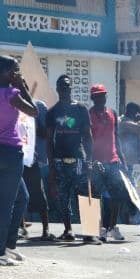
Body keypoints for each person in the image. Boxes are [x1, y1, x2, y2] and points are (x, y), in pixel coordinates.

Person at [46, 75, 99, 244]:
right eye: (61, 87)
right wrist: (52, 165)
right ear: (57, 90)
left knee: (86, 193)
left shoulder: (81, 109)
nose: (64, 90)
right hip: (60, 160)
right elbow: (48, 140)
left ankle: (90, 233)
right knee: (63, 197)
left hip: (79, 159)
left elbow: (88, 137)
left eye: (67, 87)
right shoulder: (52, 112)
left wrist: (89, 160)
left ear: (71, 89)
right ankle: (68, 230)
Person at [0, 55, 38, 266]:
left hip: (4, 153)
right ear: (6, 73)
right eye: (15, 70)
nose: (18, 73)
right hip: (10, 153)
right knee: (6, 204)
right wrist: (21, 85)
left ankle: (8, 245)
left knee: (22, 197)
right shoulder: (11, 94)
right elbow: (34, 111)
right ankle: (0, 252)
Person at [89, 84, 128, 242]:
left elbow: (116, 137)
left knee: (117, 196)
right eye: (97, 96)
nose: (101, 98)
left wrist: (122, 159)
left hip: (112, 161)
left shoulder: (112, 113)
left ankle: (111, 227)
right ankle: (97, 229)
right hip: (95, 162)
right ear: (93, 98)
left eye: (103, 95)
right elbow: (85, 139)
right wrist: (90, 161)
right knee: (94, 197)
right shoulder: (88, 115)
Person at [22, 99, 55, 241]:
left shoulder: (38, 107)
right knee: (16, 195)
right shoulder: (10, 103)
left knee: (38, 193)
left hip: (31, 159)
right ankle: (20, 227)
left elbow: (45, 133)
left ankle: (46, 229)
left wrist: (31, 124)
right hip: (13, 156)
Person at [118, 102, 140, 174]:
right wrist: (138, 122)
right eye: (137, 114)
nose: (138, 116)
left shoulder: (131, 122)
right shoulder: (122, 121)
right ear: (133, 113)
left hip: (129, 160)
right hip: (122, 160)